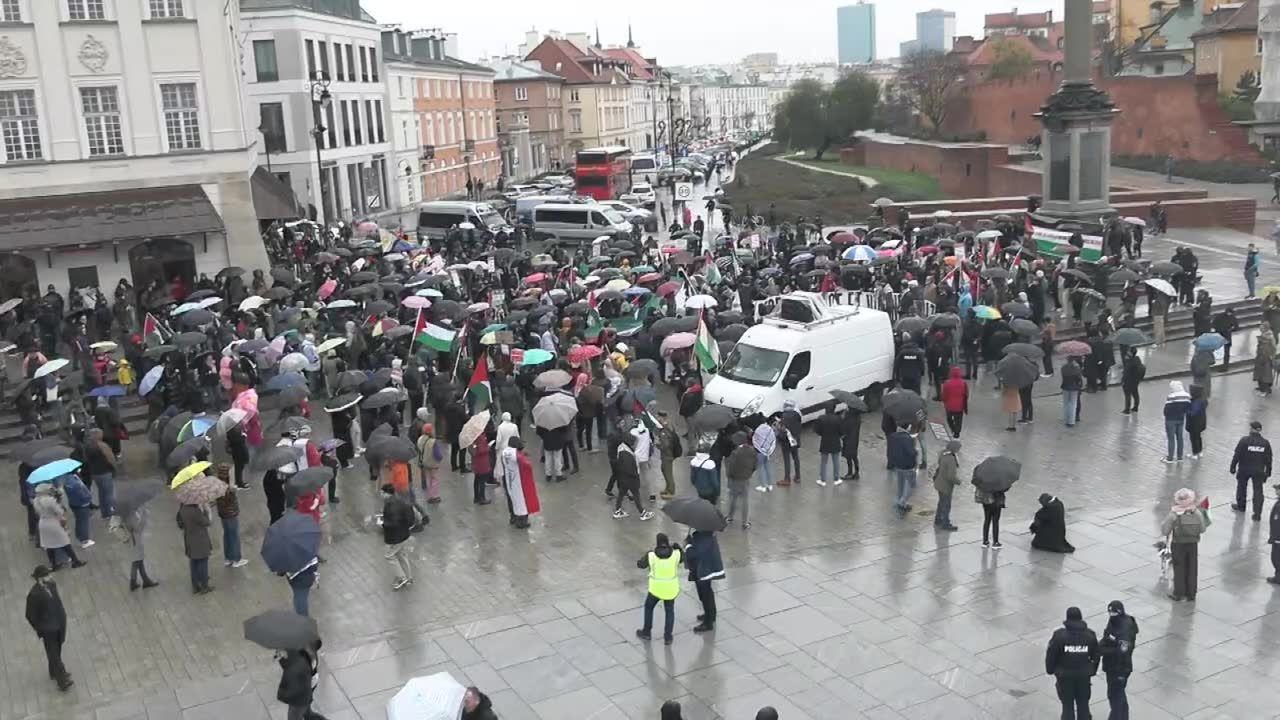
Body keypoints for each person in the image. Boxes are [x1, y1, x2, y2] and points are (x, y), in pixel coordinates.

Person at [1044, 606, 1100, 720]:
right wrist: (1092, 670)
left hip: (1065, 677)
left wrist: (1051, 670)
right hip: (1083, 676)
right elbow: (1096, 655)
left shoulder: (1059, 636)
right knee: (1083, 705)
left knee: (1067, 707)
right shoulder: (1090, 635)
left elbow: (1051, 655)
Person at [25, 565, 72, 691]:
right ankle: (62, 680)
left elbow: (57, 602)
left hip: (59, 623)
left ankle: (53, 672)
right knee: (53, 653)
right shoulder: (34, 594)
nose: (50, 577)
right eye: (47, 575)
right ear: (40, 579)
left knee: (57, 650)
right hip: (48, 629)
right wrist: (41, 628)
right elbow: (30, 615)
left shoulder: (52, 584)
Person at [1161, 488, 1209, 602]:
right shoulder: (1196, 513)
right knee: (1192, 568)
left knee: (1179, 569)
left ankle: (1179, 593)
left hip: (1178, 544)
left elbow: (1165, 530)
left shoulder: (1174, 514)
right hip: (1193, 544)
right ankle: (1191, 594)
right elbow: (1202, 529)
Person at [635, 532, 682, 646]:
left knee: (649, 607)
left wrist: (646, 555)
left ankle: (647, 632)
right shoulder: (676, 554)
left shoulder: (651, 555)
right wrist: (679, 548)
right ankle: (668, 637)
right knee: (669, 611)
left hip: (655, 590)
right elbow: (684, 558)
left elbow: (640, 565)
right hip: (670, 589)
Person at [1100, 600, 1139, 720]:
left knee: (1116, 696)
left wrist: (1104, 650)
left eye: (1114, 613)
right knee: (1117, 694)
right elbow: (1107, 637)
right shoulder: (1113, 622)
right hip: (1111, 665)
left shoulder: (1125, 629)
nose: (1111, 615)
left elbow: (1123, 651)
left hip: (1120, 667)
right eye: (1109, 612)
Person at [33, 484, 84, 569]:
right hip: (53, 522)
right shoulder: (50, 500)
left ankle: (54, 565)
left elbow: (37, 513)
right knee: (65, 542)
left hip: (43, 522)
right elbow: (60, 511)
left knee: (48, 544)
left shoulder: (36, 500)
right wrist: (59, 501)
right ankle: (75, 561)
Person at [1230, 420, 1273, 520]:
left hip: (1244, 469)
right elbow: (1269, 459)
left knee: (1241, 487)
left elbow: (1237, 454)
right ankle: (1257, 514)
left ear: (1251, 429)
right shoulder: (1265, 443)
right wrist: (1268, 472)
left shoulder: (1244, 440)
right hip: (1258, 471)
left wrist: (1233, 466)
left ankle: (1241, 506)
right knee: (1258, 491)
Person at [685, 527, 724, 633]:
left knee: (705, 595)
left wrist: (688, 545)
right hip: (707, 568)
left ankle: (708, 623)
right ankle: (711, 614)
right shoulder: (707, 533)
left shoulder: (703, 538)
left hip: (703, 570)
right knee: (707, 592)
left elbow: (695, 554)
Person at [276, 641, 327, 720]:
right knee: (307, 713)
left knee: (294, 716)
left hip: (301, 691)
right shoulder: (308, 646)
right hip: (309, 683)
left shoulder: (301, 656)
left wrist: (282, 656)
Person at [380, 483, 416, 590]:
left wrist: (384, 523)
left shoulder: (391, 505)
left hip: (396, 537)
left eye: (382, 492)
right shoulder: (399, 500)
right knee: (402, 555)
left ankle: (401, 577)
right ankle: (408, 577)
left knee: (389, 555)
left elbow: (394, 523)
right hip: (404, 534)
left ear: (387, 493)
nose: (380, 494)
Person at [501, 437, 540, 529]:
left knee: (512, 500)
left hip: (509, 479)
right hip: (518, 481)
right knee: (521, 501)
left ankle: (513, 517)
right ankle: (522, 521)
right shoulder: (516, 455)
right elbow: (526, 464)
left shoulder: (504, 452)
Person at [177, 501, 213, 594]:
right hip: (200, 540)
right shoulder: (195, 511)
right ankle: (204, 586)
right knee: (203, 562)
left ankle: (195, 586)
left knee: (193, 562)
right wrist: (206, 510)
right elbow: (207, 522)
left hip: (189, 539)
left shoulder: (183, 509)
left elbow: (180, 524)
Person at [215, 464, 247, 568]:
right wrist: (233, 490)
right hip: (231, 514)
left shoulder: (217, 485)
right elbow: (230, 499)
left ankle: (228, 558)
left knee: (227, 535)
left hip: (223, 514)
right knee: (234, 535)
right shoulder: (228, 489)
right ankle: (236, 559)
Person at [725, 431, 755, 530]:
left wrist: (730, 476)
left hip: (735, 479)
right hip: (746, 478)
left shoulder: (735, 453)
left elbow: (731, 467)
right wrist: (749, 473)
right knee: (745, 500)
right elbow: (755, 465)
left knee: (733, 498)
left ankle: (730, 517)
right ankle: (745, 522)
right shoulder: (752, 451)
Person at [887, 424, 917, 514]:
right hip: (907, 466)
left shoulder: (893, 436)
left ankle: (901, 502)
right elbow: (911, 452)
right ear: (907, 427)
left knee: (901, 484)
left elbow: (890, 449)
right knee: (911, 485)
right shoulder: (908, 438)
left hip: (897, 464)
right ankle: (901, 503)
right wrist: (916, 451)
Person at [932, 439, 960, 531]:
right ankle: (945, 523)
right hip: (946, 486)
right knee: (946, 505)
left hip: (939, 482)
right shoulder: (951, 459)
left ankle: (938, 519)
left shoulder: (943, 454)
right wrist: (958, 481)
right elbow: (951, 476)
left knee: (941, 502)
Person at [816, 402, 844, 486]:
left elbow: (817, 431)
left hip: (825, 442)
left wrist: (823, 434)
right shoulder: (838, 418)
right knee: (836, 462)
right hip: (835, 442)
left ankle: (823, 480)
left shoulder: (821, 418)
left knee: (823, 462)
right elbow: (842, 431)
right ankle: (836, 479)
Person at [1162, 381, 1191, 463]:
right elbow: (1188, 407)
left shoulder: (1171, 396)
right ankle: (1180, 457)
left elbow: (1166, 410)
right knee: (1180, 438)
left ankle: (1170, 458)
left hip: (1170, 420)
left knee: (1171, 439)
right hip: (1181, 419)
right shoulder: (1187, 396)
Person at [975, 481, 1005, 549]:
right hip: (997, 500)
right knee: (995, 521)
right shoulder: (999, 477)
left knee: (987, 520)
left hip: (986, 500)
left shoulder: (983, 476)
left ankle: (985, 541)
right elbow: (1003, 488)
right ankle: (995, 542)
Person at [940, 367, 968, 437]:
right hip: (959, 406)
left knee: (949, 419)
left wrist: (944, 401)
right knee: (958, 420)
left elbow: (944, 395)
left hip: (949, 406)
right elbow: (966, 394)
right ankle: (957, 432)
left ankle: (953, 428)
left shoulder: (947, 383)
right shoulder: (964, 383)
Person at [1119, 350, 1144, 415]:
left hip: (1128, 381)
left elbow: (1126, 373)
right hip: (1135, 381)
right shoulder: (1137, 360)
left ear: (1130, 354)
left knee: (1127, 395)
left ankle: (1127, 410)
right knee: (1135, 394)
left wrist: (1123, 381)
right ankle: (1135, 408)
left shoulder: (1130, 363)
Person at [1061, 356, 1083, 427]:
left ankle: (1066, 419)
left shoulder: (1063, 367)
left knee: (1066, 403)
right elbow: (1079, 379)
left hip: (1065, 386)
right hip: (1074, 387)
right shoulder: (1076, 368)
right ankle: (1071, 421)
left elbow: (1063, 376)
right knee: (1073, 404)